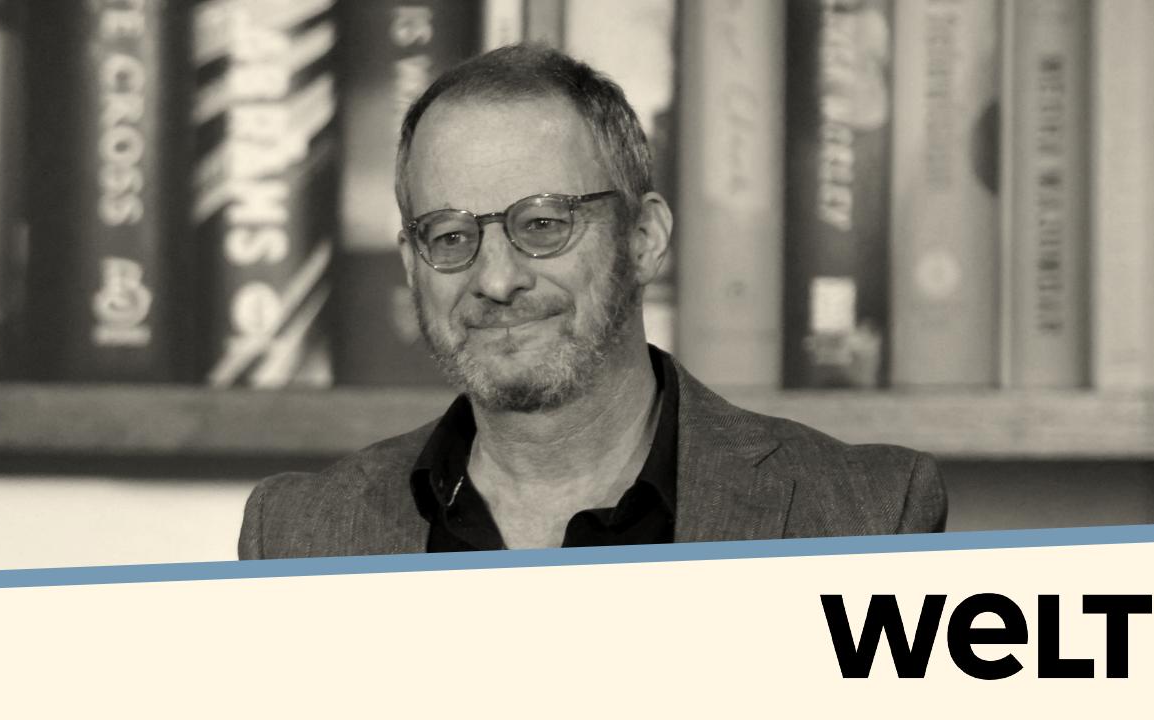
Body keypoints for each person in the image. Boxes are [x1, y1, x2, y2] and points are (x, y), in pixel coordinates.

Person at [238, 44, 946, 559]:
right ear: (410, 263)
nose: (496, 281)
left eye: (543, 224)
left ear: (644, 238)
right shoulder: (297, 535)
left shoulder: (869, 515)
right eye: (451, 236)